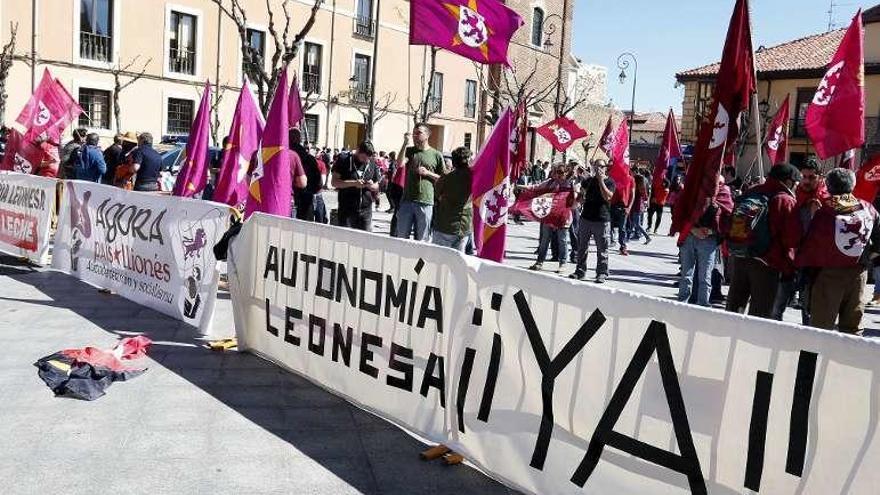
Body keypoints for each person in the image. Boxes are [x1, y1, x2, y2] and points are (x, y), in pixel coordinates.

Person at [795, 168, 880, 333]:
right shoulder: (868, 207)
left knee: (819, 328)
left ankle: (810, 359)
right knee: (852, 330)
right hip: (858, 274)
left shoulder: (825, 209)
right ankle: (844, 359)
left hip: (828, 274)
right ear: (852, 185)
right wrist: (866, 257)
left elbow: (809, 245)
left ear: (828, 185)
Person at [725, 164, 801, 318]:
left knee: (733, 310)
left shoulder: (752, 191)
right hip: (767, 263)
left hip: (740, 256)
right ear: (788, 182)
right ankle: (752, 342)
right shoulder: (785, 200)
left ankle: (728, 339)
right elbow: (792, 238)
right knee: (760, 315)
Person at [772, 160, 829, 321]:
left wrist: (818, 216)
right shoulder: (792, 196)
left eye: (811, 177)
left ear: (820, 177)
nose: (806, 181)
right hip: (788, 260)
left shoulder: (825, 200)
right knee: (776, 307)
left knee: (809, 311)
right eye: (804, 176)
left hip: (812, 263)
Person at [677, 175, 733, 306]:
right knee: (686, 275)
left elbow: (728, 219)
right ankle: (681, 303)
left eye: (719, 183)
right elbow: (682, 212)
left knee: (705, 277)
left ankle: (703, 304)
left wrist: (712, 231)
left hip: (709, 240)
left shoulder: (724, 195)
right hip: (690, 236)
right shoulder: (694, 191)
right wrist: (692, 229)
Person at [395, 124, 444, 240]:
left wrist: (428, 173)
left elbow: (443, 179)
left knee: (422, 239)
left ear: (427, 135)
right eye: (414, 133)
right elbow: (399, 164)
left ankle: (420, 259)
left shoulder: (436, 155)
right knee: (401, 237)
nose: (415, 135)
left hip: (426, 201)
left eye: (419, 133)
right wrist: (404, 144)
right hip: (407, 200)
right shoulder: (410, 151)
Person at [570, 160, 616, 283]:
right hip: (586, 218)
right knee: (582, 247)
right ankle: (580, 271)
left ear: (605, 168)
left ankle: (602, 273)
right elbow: (581, 198)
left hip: (601, 220)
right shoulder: (588, 181)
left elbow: (608, 197)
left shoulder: (610, 182)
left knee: (602, 249)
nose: (598, 168)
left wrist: (600, 180)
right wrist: (577, 194)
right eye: (596, 166)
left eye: (601, 166)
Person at [528, 164, 575, 273]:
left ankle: (563, 263)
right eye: (556, 172)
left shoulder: (571, 184)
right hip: (549, 216)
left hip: (563, 217)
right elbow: (536, 188)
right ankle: (539, 262)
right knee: (544, 240)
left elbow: (576, 197)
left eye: (561, 172)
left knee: (562, 240)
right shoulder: (550, 183)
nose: (558, 174)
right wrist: (520, 186)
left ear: (566, 173)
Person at [331, 140, 381, 231]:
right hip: (347, 209)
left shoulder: (372, 163)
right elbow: (334, 182)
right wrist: (354, 183)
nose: (366, 160)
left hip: (365, 210)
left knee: (364, 240)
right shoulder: (344, 160)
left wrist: (370, 186)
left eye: (368, 158)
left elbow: (377, 185)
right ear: (358, 151)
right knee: (346, 240)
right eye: (363, 157)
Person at [432, 147, 473, 251]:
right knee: (458, 263)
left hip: (444, 225)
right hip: (464, 226)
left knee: (438, 261)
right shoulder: (474, 177)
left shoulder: (446, 176)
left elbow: (436, 194)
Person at [290, 128, 321, 221]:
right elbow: (318, 183)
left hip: (289, 199)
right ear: (299, 139)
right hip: (306, 201)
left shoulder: (282, 156)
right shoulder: (310, 158)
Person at [610, 171, 635, 255]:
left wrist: (629, 207)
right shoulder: (613, 177)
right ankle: (608, 242)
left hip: (623, 207)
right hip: (612, 205)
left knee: (622, 228)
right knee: (608, 226)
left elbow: (632, 194)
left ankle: (623, 247)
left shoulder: (630, 179)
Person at [629, 174, 652, 245]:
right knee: (634, 222)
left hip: (637, 207)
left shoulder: (637, 188)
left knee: (637, 224)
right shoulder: (641, 188)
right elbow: (646, 196)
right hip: (639, 207)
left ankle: (647, 237)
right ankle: (632, 234)